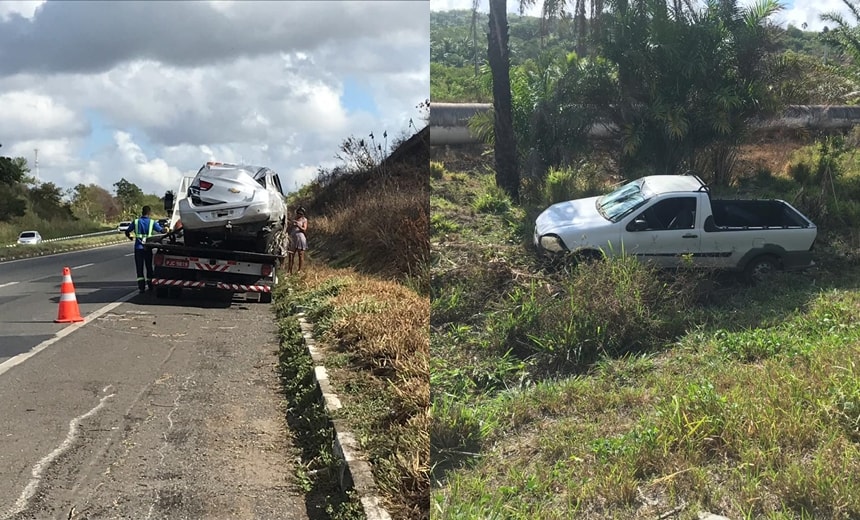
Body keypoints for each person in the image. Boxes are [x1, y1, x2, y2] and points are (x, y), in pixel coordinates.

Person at [125, 205, 165, 293]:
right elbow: (161, 231)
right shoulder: (152, 222)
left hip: (138, 248)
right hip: (148, 248)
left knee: (139, 268)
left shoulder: (136, 222)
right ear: (149, 213)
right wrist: (167, 229)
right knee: (149, 266)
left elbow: (127, 231)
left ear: (142, 212)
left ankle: (141, 287)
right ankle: (150, 285)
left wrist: (130, 237)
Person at [286, 206, 308, 274]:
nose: (299, 215)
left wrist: (298, 225)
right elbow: (288, 229)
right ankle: (289, 270)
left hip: (300, 238)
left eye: (301, 214)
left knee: (300, 255)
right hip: (293, 238)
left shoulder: (304, 220)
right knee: (291, 255)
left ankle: (299, 270)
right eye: (298, 213)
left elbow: (304, 229)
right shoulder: (293, 219)